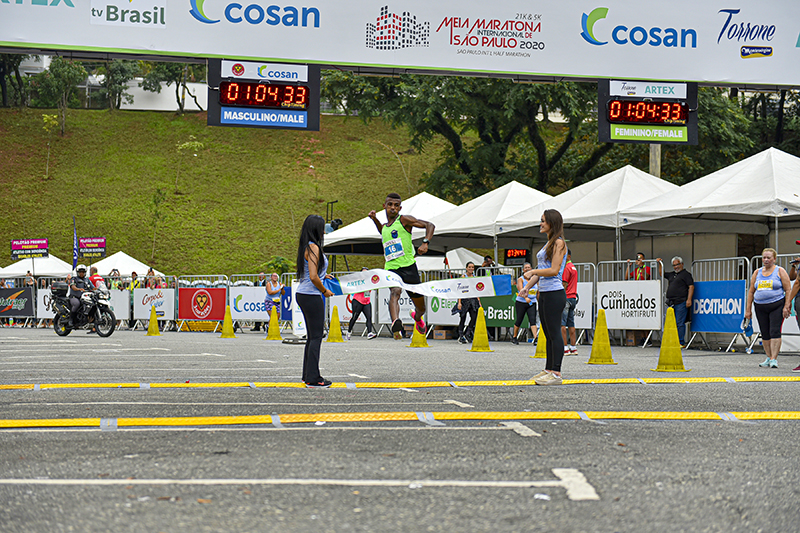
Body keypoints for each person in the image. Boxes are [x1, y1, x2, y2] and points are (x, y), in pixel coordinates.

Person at [369, 192, 434, 339]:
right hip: (392, 268)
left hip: (409, 267)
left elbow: (430, 225)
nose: (393, 208)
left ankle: (417, 318)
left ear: (400, 208)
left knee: (421, 308)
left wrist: (425, 243)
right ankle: (396, 323)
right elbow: (383, 231)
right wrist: (375, 220)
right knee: (395, 292)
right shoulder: (385, 227)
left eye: (396, 206)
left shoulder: (404, 220)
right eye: (390, 205)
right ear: (384, 206)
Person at [521, 209, 568, 386]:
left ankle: (556, 372)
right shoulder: (548, 243)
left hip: (555, 292)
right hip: (545, 293)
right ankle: (548, 369)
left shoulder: (559, 243)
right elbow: (541, 272)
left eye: (543, 221)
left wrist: (532, 271)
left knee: (555, 332)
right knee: (547, 333)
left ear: (551, 222)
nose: (540, 224)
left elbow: (554, 270)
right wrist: (527, 287)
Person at [295, 214, 335, 388]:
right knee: (317, 336)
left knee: (312, 337)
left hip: (304, 294)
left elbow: (312, 272)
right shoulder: (313, 247)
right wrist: (324, 290)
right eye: (322, 228)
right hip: (311, 295)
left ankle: (307, 375)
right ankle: (313, 378)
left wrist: (323, 275)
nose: (324, 231)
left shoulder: (307, 246)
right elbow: (312, 277)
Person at [745, 248, 791, 369]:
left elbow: (788, 289)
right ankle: (768, 357)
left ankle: (774, 359)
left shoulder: (780, 271)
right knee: (764, 332)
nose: (766, 260)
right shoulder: (757, 272)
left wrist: (787, 305)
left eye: (768, 258)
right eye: (764, 258)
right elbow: (751, 291)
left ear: (774, 259)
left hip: (776, 304)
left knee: (774, 331)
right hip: (760, 306)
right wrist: (748, 309)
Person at [657, 256, 695, 347]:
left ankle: (681, 342)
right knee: (671, 323)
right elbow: (662, 273)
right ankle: (673, 340)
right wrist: (659, 264)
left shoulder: (686, 274)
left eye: (677, 264)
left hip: (681, 301)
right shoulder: (672, 274)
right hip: (671, 302)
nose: (676, 267)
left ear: (682, 264)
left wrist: (689, 299)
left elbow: (691, 286)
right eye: (674, 265)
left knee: (679, 322)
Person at [347, 268, 377, 340]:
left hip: (367, 301)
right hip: (358, 300)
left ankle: (369, 333)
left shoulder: (370, 280)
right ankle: (349, 332)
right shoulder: (359, 281)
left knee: (369, 317)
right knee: (355, 317)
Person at [512, 262, 538, 345]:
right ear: (523, 270)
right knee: (519, 319)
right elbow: (520, 289)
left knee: (532, 320)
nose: (527, 269)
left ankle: (535, 338)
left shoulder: (535, 278)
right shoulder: (521, 279)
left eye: (529, 267)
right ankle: (514, 336)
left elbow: (538, 291)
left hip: (532, 302)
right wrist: (525, 298)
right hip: (521, 301)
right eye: (525, 268)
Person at [457, 262, 481, 344]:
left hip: (473, 299)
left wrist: (479, 301)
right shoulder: (463, 277)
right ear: (466, 268)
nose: (471, 269)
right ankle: (461, 335)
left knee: (474, 317)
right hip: (465, 299)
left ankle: (467, 333)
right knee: (463, 318)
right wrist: (459, 302)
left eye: (472, 267)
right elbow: (460, 290)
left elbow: (476, 289)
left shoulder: (475, 277)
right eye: (469, 267)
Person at [561, 249, 578, 356]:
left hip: (566, 297)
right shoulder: (574, 267)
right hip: (573, 297)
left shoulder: (566, 268)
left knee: (562, 323)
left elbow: (564, 284)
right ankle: (573, 347)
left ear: (568, 256)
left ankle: (565, 348)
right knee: (571, 323)